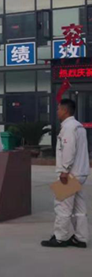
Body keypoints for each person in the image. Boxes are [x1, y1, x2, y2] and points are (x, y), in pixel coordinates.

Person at [42, 99, 90, 248]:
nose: (57, 112)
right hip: (81, 173)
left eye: (58, 109)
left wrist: (64, 170)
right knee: (79, 207)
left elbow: (69, 150)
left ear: (65, 110)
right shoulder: (79, 127)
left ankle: (60, 237)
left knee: (62, 206)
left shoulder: (69, 128)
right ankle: (81, 238)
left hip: (70, 174)